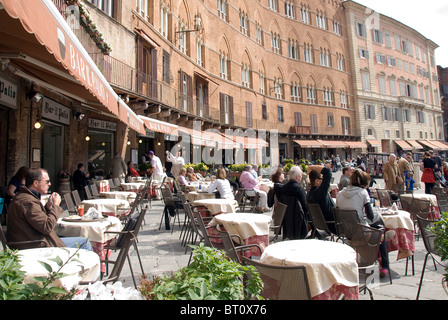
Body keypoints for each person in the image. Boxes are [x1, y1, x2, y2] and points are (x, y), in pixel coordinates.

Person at [6, 168, 92, 250]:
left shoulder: (26, 198)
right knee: (85, 242)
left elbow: (36, 220)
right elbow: (47, 227)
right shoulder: (28, 201)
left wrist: (47, 208)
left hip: (35, 240)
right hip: (36, 245)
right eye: (47, 181)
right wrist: (56, 206)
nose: (49, 184)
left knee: (73, 236)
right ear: (35, 183)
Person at [336, 169, 391, 277]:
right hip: (362, 233)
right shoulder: (362, 193)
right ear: (364, 184)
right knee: (381, 229)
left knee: (376, 230)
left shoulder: (340, 194)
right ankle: (384, 266)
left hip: (347, 233)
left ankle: (377, 246)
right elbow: (371, 216)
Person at [278, 166, 308, 240]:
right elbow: (305, 206)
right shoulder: (299, 189)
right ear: (297, 176)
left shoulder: (283, 188)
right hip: (298, 221)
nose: (301, 177)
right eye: (301, 175)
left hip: (286, 220)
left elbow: (281, 204)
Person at [306, 164, 336, 233]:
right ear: (317, 181)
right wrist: (310, 167)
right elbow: (328, 172)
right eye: (322, 178)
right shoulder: (320, 193)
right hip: (333, 225)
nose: (323, 180)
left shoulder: (309, 195)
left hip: (320, 226)